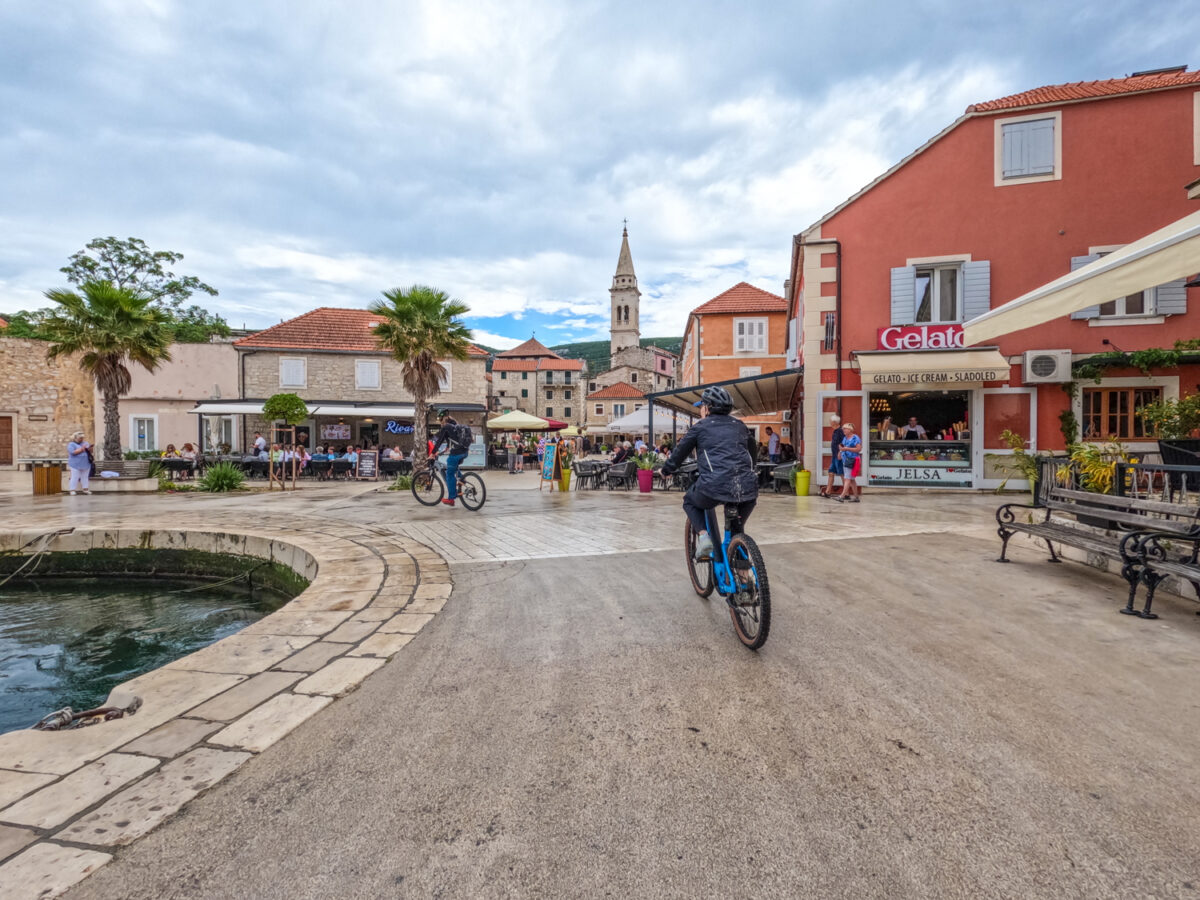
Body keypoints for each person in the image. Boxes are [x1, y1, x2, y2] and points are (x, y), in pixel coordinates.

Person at [661, 386, 758, 561]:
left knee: (689, 501)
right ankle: (744, 579)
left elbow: (679, 453)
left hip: (713, 487)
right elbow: (752, 453)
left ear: (708, 408)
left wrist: (666, 470)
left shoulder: (700, 427)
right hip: (747, 489)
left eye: (701, 406)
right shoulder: (741, 426)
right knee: (737, 529)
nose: (700, 410)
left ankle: (704, 538)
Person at [431, 409, 472, 507]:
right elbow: (453, 438)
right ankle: (462, 480)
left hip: (456, 454)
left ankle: (451, 498)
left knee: (449, 473)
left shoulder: (445, 426)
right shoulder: (454, 423)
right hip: (464, 452)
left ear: (441, 418)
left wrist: (433, 453)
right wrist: (447, 447)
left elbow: (439, 440)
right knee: (454, 468)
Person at [835, 423, 862, 502]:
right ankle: (856, 497)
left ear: (849, 430)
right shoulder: (845, 438)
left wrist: (847, 449)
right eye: (843, 428)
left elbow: (858, 449)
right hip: (846, 460)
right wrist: (840, 453)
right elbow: (842, 447)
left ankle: (842, 496)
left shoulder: (855, 438)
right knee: (852, 479)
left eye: (844, 429)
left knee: (847, 479)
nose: (843, 430)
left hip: (852, 460)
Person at [821, 414, 843, 498]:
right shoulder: (835, 431)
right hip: (834, 456)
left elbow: (843, 442)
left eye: (830, 421)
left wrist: (840, 452)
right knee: (831, 473)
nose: (829, 422)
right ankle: (828, 491)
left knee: (842, 474)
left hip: (838, 456)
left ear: (834, 422)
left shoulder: (840, 431)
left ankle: (846, 493)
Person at [66, 431, 92, 495]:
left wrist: (90, 449)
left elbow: (90, 451)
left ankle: (85, 489)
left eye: (82, 438)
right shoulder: (71, 444)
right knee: (75, 476)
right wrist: (81, 449)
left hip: (85, 462)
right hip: (75, 463)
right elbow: (73, 452)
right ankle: (72, 490)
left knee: (85, 476)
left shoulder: (85, 443)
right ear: (75, 438)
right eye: (80, 438)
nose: (81, 439)